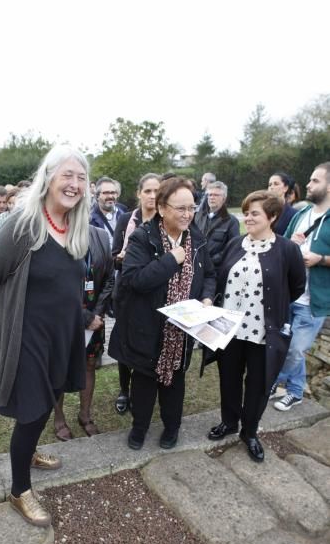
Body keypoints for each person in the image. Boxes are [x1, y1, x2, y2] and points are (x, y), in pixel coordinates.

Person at [0, 145, 90, 527]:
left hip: (61, 337)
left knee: (47, 400)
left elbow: (68, 286)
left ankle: (29, 452)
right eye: (67, 175)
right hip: (27, 340)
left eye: (81, 177)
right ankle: (19, 490)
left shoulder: (75, 228)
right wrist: (10, 318)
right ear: (49, 178)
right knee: (33, 411)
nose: (74, 184)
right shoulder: (23, 226)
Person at [109, 177, 216, 450]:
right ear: (162, 208)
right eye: (180, 208)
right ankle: (139, 429)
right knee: (145, 380)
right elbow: (135, 279)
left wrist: (205, 296)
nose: (187, 214)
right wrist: (170, 260)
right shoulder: (143, 237)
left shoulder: (197, 238)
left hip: (182, 329)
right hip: (148, 326)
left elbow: (210, 275)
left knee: (176, 379)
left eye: (191, 208)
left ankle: (172, 428)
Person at [207, 190, 306, 461]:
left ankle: (249, 432)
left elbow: (296, 287)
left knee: (258, 384)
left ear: (272, 217)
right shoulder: (236, 243)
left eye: (254, 214)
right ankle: (229, 422)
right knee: (229, 379)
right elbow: (220, 278)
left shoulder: (287, 249)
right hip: (230, 330)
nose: (247, 218)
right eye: (247, 212)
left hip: (264, 333)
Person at [272, 162, 330, 411]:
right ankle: (295, 391)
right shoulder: (301, 214)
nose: (308, 184)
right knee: (288, 345)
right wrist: (291, 245)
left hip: (314, 301)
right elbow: (281, 246)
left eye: (315, 180)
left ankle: (273, 381)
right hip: (289, 294)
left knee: (294, 350)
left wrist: (322, 260)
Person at [53, 224, 114, 439]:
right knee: (59, 368)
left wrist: (96, 314)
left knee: (89, 365)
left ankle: (85, 415)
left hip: (94, 319)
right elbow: (52, 283)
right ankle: (58, 419)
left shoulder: (100, 235)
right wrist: (84, 317)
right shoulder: (52, 233)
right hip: (63, 318)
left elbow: (109, 279)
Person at [111, 173, 161, 415]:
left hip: (154, 294)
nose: (152, 196)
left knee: (150, 343)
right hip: (127, 292)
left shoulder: (165, 221)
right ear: (139, 193)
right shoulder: (125, 219)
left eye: (156, 192)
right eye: (148, 191)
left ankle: (146, 390)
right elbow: (112, 256)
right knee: (125, 342)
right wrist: (121, 258)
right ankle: (124, 389)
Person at [194, 181, 240, 270]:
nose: (212, 197)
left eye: (216, 195)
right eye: (210, 195)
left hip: (217, 270)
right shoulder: (198, 217)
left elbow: (233, 248)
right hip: (197, 267)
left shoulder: (231, 221)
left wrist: (211, 261)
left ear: (224, 198)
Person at [89, 177, 126, 247]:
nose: (110, 196)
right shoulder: (90, 221)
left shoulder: (125, 217)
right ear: (97, 196)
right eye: (106, 193)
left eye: (113, 192)